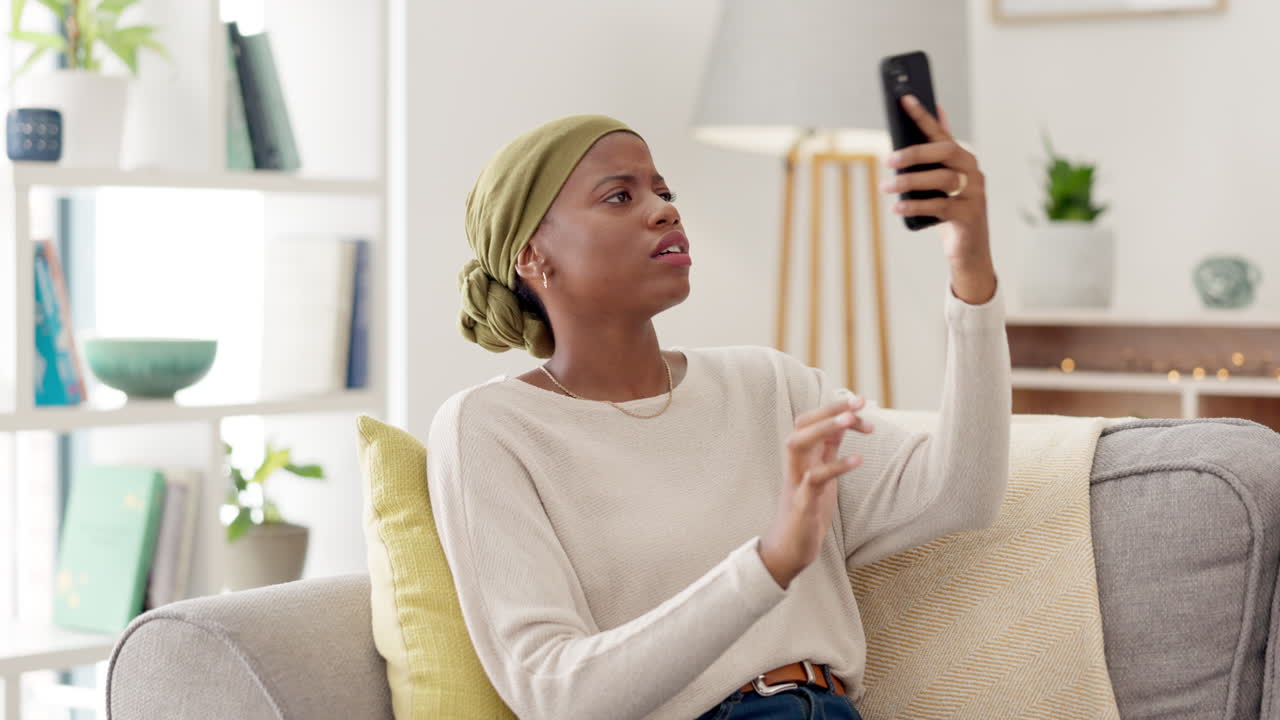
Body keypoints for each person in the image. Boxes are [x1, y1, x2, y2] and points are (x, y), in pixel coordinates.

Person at [429, 99, 1011, 720]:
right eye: (620, 197)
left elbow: (962, 492)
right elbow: (558, 695)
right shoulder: (489, 428)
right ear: (533, 256)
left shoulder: (767, 384)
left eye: (662, 189)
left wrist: (969, 264)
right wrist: (768, 564)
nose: (666, 209)